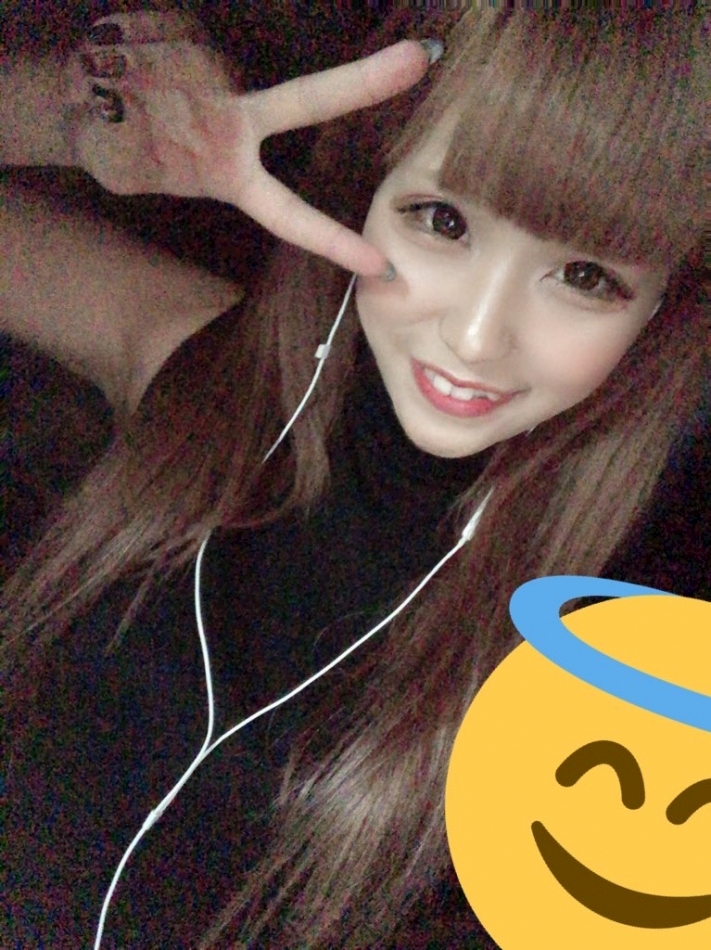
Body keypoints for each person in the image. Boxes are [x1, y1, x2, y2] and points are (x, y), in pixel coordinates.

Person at [2, 7, 707, 949]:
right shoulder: (204, 367)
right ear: (370, 188)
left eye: (585, 277)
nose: (475, 337)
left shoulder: (610, 649)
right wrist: (66, 122)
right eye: (443, 221)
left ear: (657, 311)